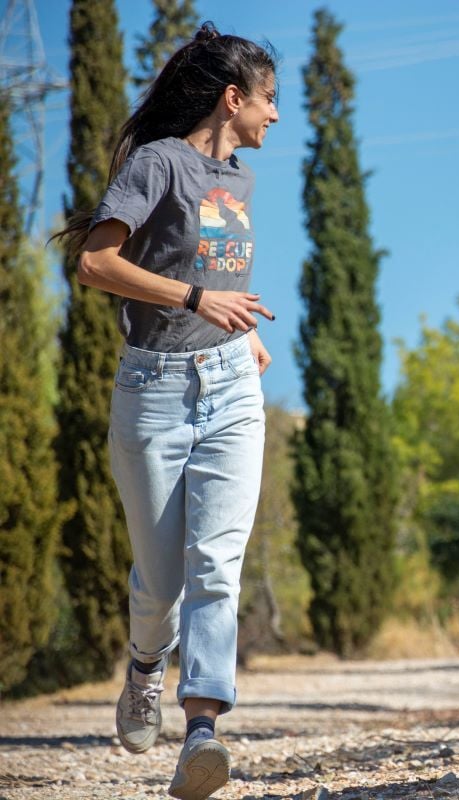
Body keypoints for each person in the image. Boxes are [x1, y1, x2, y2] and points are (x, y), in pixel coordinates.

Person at [53, 22, 279, 800]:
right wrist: (194, 299)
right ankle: (145, 664)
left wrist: (239, 328)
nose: (275, 115)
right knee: (160, 581)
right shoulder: (158, 164)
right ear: (232, 98)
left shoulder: (241, 179)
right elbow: (94, 262)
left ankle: (203, 732)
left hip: (231, 388)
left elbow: (218, 269)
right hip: (152, 390)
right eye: (269, 99)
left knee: (217, 564)